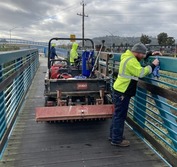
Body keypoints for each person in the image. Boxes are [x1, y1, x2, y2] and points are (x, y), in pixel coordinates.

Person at [109, 42, 159, 147]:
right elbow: (141, 72)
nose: (143, 57)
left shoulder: (128, 57)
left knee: (117, 114)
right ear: (137, 52)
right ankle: (116, 140)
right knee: (120, 116)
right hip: (123, 91)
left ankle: (113, 135)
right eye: (142, 54)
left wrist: (149, 53)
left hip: (119, 89)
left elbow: (138, 60)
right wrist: (153, 65)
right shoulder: (131, 61)